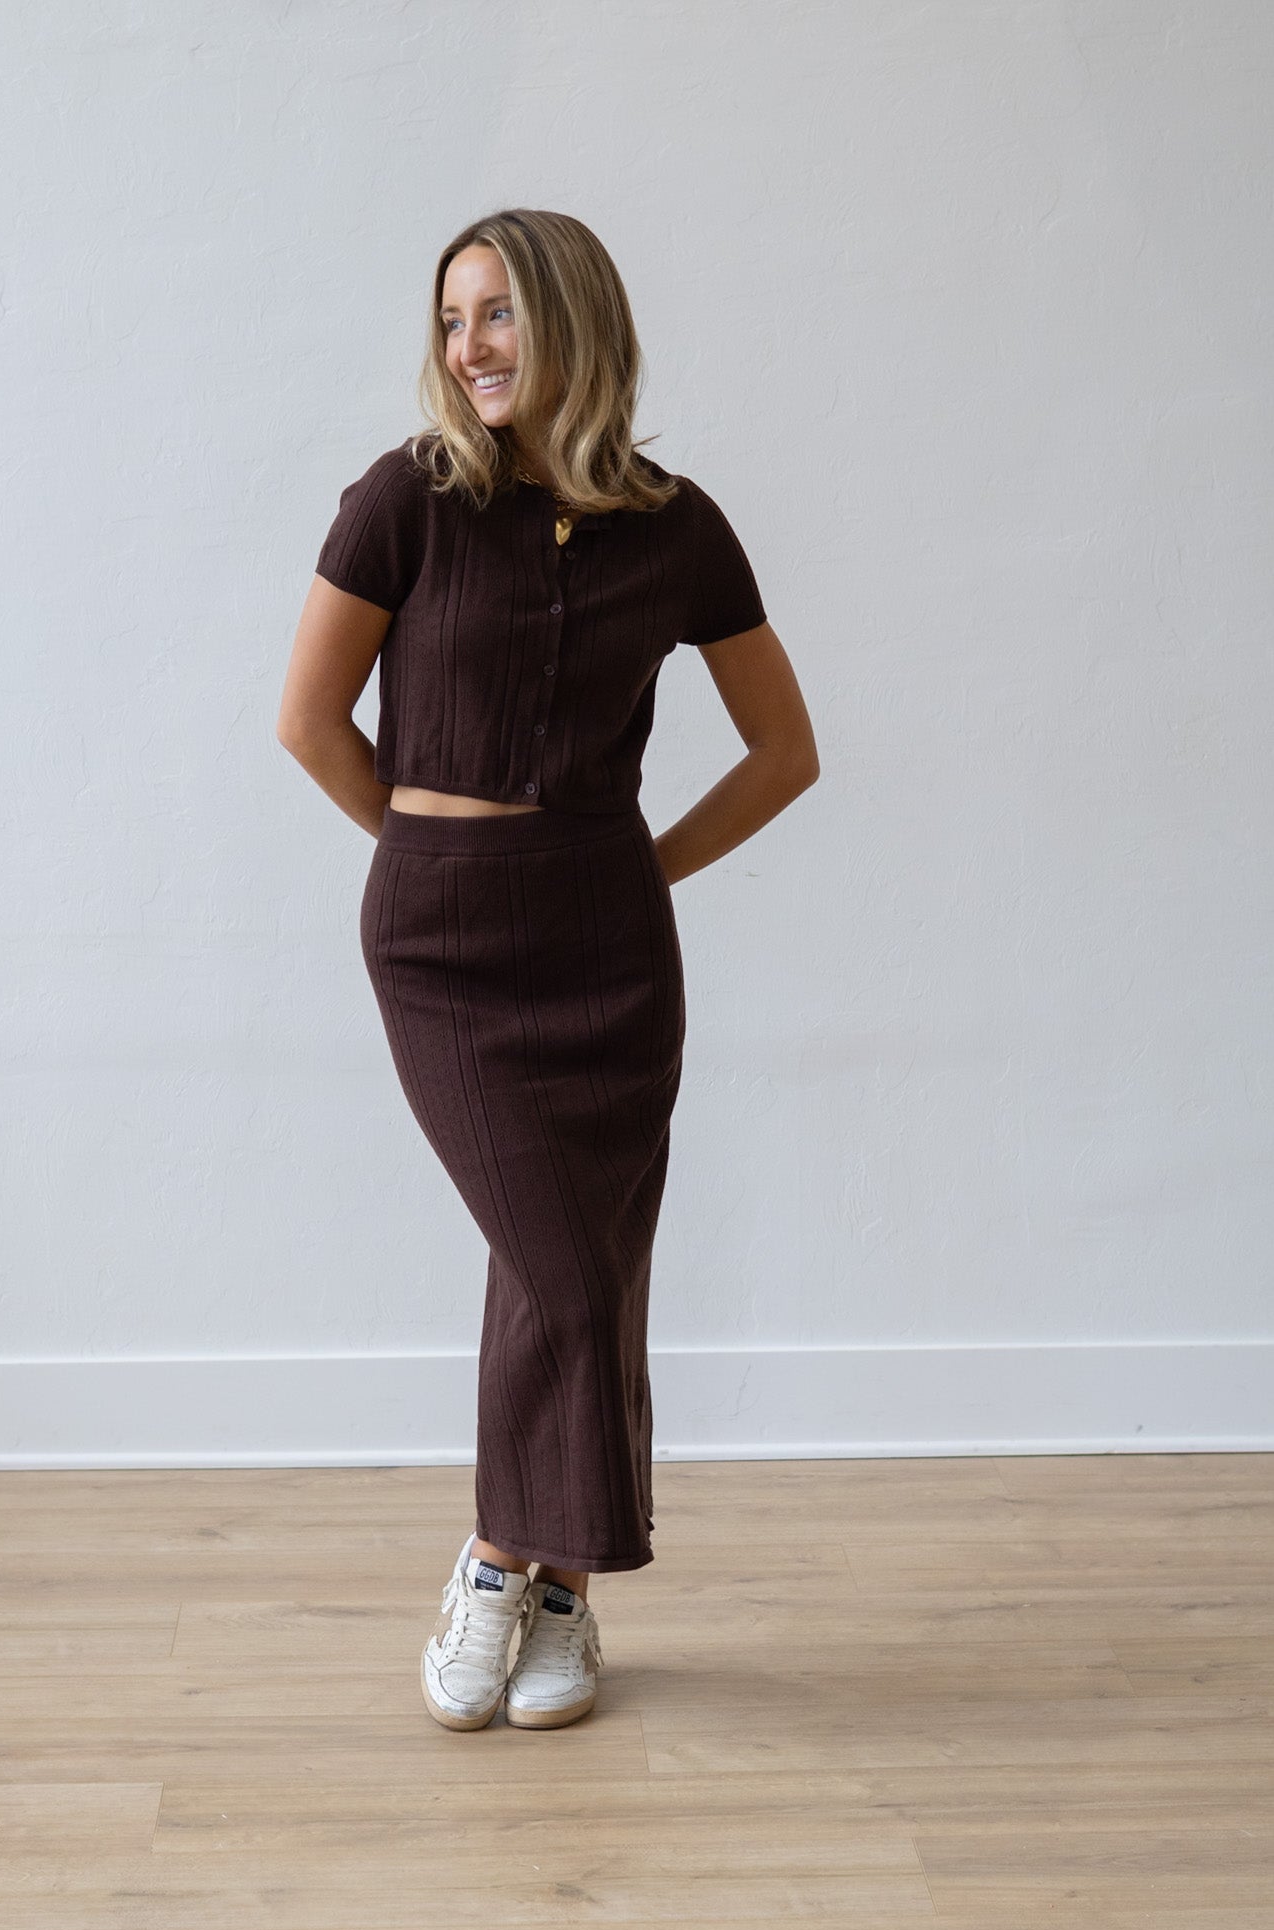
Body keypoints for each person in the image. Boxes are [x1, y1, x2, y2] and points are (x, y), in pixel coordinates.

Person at [278, 208, 819, 1735]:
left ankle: (550, 1590)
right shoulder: (404, 500)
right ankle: (512, 1554)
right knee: (560, 1262)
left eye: (498, 314)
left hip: (605, 942)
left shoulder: (678, 525)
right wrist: (436, 848)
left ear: (573, 322)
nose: (471, 348)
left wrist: (632, 869)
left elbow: (787, 752)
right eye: (453, 321)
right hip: (443, 938)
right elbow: (309, 723)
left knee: (588, 1264)